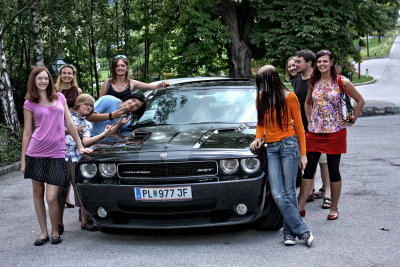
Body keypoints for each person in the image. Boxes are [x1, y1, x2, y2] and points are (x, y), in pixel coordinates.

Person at [21, 66, 92, 246]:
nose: (43, 81)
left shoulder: (59, 97)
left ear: (50, 80)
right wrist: (23, 160)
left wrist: (80, 146)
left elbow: (69, 122)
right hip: (35, 152)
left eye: (46, 78)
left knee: (52, 197)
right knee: (38, 194)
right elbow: (27, 132)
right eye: (40, 79)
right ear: (34, 81)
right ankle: (44, 232)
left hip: (56, 153)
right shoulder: (30, 102)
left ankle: (55, 229)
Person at [250, 65, 313, 247]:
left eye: (263, 80)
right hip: (271, 148)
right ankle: (302, 231)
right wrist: (258, 138)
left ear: (272, 79)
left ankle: (288, 233)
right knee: (278, 193)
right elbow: (261, 123)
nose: (261, 85)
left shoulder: (289, 97)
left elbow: (300, 127)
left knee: (289, 192)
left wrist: (303, 154)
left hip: (289, 145)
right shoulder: (261, 98)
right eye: (259, 81)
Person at [297, 50, 365, 220]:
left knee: (333, 170)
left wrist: (351, 120)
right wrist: (311, 121)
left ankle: (334, 208)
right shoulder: (314, 82)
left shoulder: (341, 81)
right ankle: (299, 207)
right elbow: (307, 103)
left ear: (331, 62)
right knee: (309, 169)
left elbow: (360, 101)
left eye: (325, 61)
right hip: (315, 132)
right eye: (319, 61)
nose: (322, 64)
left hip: (335, 132)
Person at [60, 94, 114, 232]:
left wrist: (103, 134)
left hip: (77, 158)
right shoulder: (66, 117)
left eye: (91, 106)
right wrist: (72, 131)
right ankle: (58, 223)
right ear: (78, 104)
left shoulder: (87, 123)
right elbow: (56, 132)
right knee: (60, 191)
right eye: (86, 104)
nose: (89, 107)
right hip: (62, 156)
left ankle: (85, 221)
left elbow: (85, 142)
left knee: (80, 189)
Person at [294, 49, 331, 209]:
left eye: (299, 61)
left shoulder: (317, 80)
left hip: (319, 128)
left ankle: (327, 193)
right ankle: (310, 190)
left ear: (309, 63)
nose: (296, 64)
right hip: (302, 129)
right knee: (308, 161)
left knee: (324, 162)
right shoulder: (297, 81)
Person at [55, 64, 83, 209]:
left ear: (73, 75)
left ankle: (77, 203)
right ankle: (64, 197)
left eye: (69, 73)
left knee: (73, 163)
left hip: (74, 126)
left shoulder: (77, 90)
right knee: (64, 164)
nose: (67, 75)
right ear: (60, 75)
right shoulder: (53, 90)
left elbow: (82, 108)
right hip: (58, 126)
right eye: (64, 73)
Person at [98, 55, 169, 100]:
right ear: (114, 68)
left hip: (124, 120)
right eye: (117, 66)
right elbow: (100, 101)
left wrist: (162, 83)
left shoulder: (132, 83)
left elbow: (152, 87)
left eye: (123, 66)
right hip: (107, 119)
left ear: (127, 68)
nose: (120, 68)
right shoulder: (108, 82)